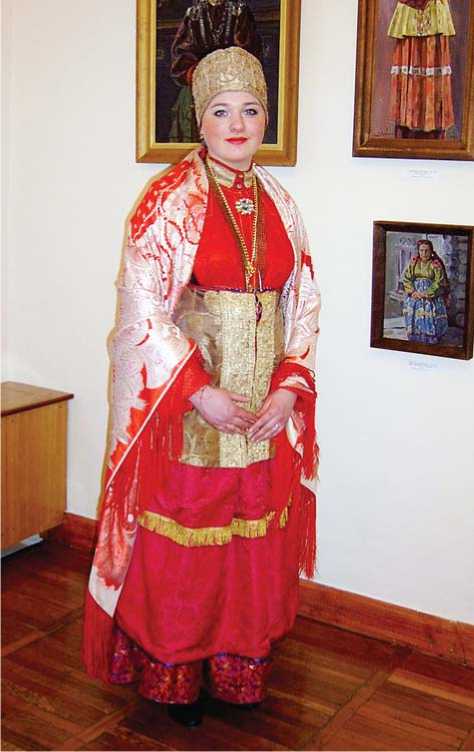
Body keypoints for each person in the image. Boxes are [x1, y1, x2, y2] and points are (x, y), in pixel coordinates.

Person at [82, 46, 320, 727]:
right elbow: (142, 310)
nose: (237, 124)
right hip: (189, 412)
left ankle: (236, 671)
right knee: (186, 548)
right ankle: (175, 676)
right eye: (221, 111)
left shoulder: (282, 204)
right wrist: (197, 390)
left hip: (262, 414)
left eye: (250, 110)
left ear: (266, 119)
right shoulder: (169, 200)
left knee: (249, 542)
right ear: (199, 120)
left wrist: (288, 390)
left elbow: (304, 303)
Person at [169, 0, 262, 141]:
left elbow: (247, 52)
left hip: (233, 80)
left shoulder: (239, 11)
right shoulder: (194, 14)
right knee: (187, 103)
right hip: (201, 78)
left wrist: (225, 72)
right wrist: (199, 72)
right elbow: (182, 54)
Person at [388, 0, 455, 139]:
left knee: (433, 63)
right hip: (409, 14)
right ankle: (406, 128)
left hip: (434, 13)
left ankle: (433, 132)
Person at [403, 239, 450, 343]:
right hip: (416, 295)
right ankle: (416, 336)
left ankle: (430, 338)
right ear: (418, 251)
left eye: (426, 251)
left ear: (431, 251)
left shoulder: (435, 264)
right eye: (421, 250)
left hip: (430, 296)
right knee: (415, 314)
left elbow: (439, 281)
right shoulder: (413, 263)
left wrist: (427, 292)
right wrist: (413, 292)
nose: (424, 253)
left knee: (430, 314)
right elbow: (406, 278)